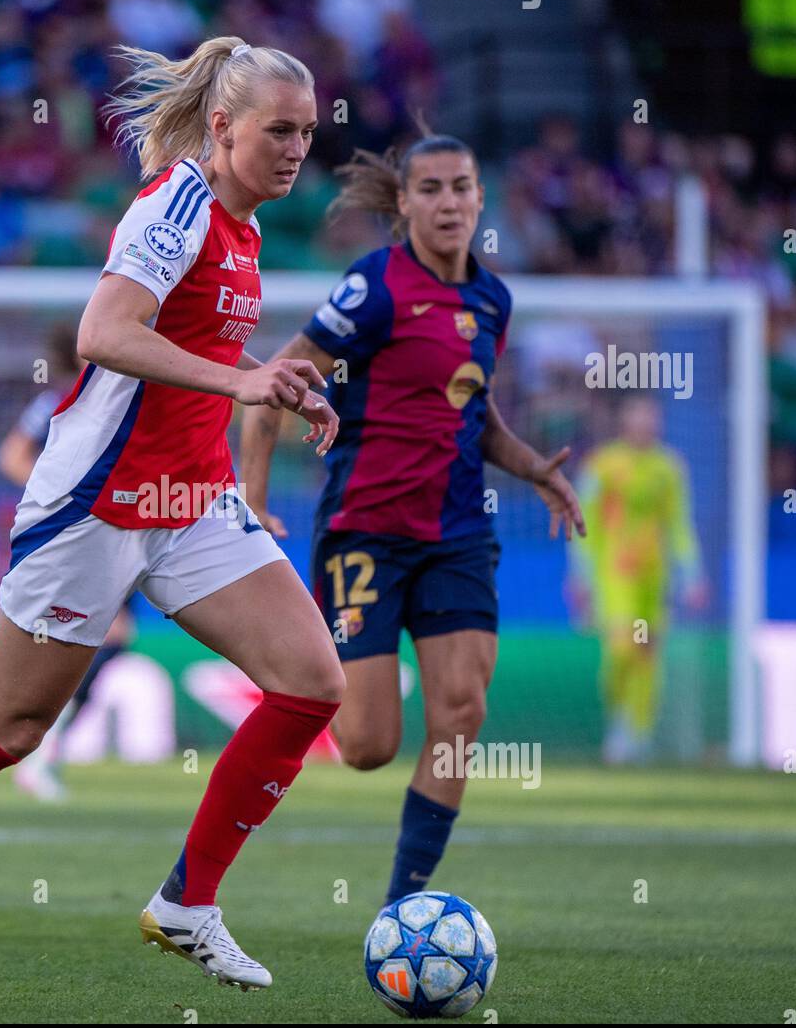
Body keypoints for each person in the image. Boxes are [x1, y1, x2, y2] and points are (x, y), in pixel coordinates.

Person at [0, 36, 342, 1004]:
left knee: (312, 683)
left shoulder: (248, 226)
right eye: (279, 130)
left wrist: (272, 382)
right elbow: (104, 333)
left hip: (190, 499)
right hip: (94, 504)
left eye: (307, 132)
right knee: (6, 728)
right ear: (222, 127)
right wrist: (243, 377)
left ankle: (187, 900)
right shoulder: (176, 203)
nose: (295, 150)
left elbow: (193, 344)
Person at [240, 134, 585, 908]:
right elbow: (274, 386)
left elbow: (473, 407)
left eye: (461, 186)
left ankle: (405, 909)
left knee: (461, 709)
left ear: (480, 198)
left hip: (459, 534)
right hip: (366, 529)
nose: (449, 202)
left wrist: (531, 466)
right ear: (404, 203)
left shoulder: (493, 299)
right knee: (365, 746)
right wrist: (252, 500)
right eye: (429, 188)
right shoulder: (375, 289)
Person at [0, 323, 138, 802]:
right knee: (107, 634)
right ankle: (38, 749)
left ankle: (42, 748)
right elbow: (13, 456)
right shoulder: (61, 400)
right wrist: (61, 492)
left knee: (107, 638)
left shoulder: (127, 393)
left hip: (125, 528)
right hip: (81, 530)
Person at [568, 394, 706, 763]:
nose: (647, 425)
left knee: (647, 653)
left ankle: (639, 733)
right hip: (613, 575)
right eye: (640, 417)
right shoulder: (602, 466)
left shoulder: (668, 468)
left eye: (652, 418)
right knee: (622, 649)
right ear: (625, 422)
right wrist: (579, 575)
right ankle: (620, 720)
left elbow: (679, 525)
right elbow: (586, 523)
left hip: (653, 578)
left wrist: (692, 574)